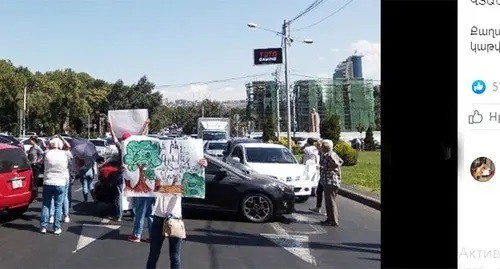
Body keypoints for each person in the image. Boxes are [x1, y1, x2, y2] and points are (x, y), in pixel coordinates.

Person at [146, 158, 208, 269]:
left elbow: (182, 189)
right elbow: (151, 186)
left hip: (174, 218)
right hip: (158, 216)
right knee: (153, 254)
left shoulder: (180, 174)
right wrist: (128, 170)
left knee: (174, 256)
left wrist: (201, 166)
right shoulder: (157, 171)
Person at [107, 118, 150, 222]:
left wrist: (110, 125)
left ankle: (119, 215)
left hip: (122, 172)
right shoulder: (134, 147)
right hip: (133, 173)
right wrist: (146, 125)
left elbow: (113, 137)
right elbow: (142, 136)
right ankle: (134, 215)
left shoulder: (121, 146)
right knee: (132, 194)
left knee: (120, 194)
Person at [40, 138, 71, 234]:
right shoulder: (65, 154)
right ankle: (56, 228)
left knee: (46, 205)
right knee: (58, 206)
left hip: (48, 182)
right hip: (60, 182)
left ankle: (43, 227)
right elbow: (69, 164)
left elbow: (41, 161)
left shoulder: (47, 153)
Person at [319, 139, 343, 226]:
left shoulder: (331, 155)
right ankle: (330, 219)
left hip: (331, 181)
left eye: (322, 146)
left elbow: (337, 163)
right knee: (328, 202)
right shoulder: (327, 155)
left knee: (331, 202)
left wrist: (327, 168)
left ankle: (333, 220)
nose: (320, 147)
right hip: (328, 181)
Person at [309, 140, 325, 215]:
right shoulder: (320, 153)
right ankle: (318, 208)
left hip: (326, 177)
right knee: (319, 191)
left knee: (327, 195)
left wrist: (321, 167)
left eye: (318, 147)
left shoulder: (325, 154)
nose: (317, 149)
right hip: (322, 176)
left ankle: (328, 212)